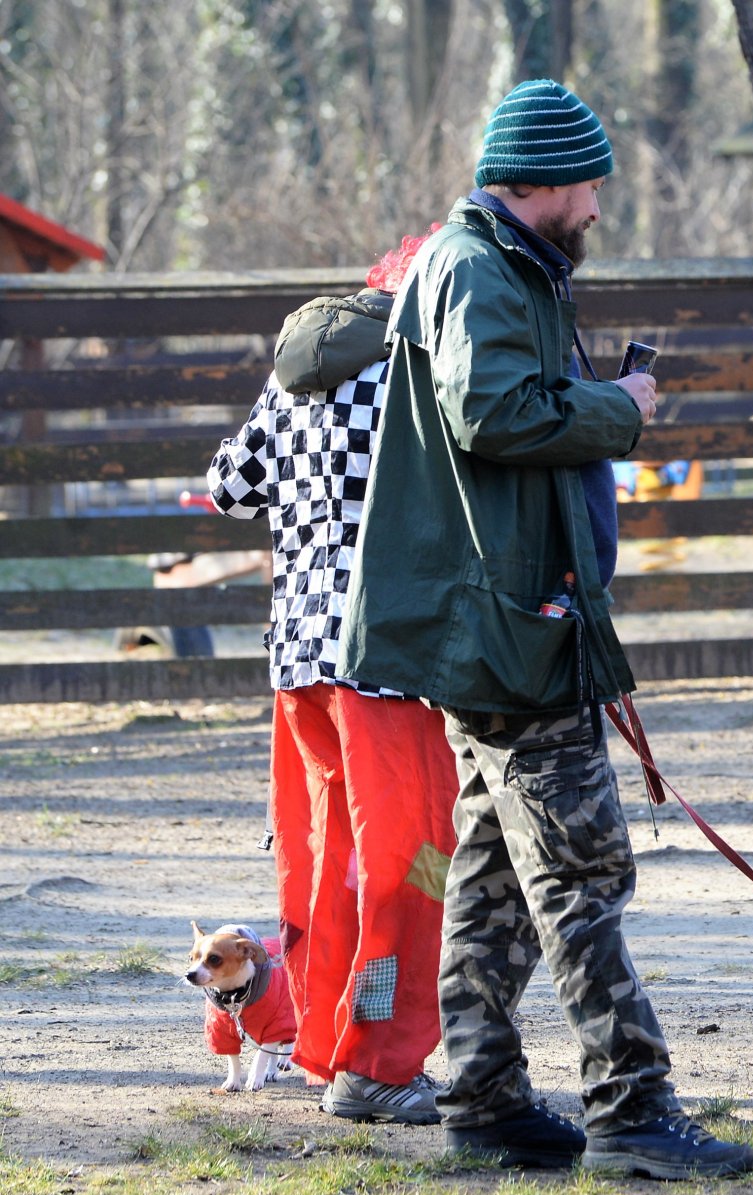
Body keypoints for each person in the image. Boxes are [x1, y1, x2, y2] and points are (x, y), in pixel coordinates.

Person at [337, 79, 753, 1179]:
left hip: (500, 623)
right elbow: (495, 412)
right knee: (582, 873)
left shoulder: (502, 264)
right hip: (512, 631)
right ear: (547, 182)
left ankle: (481, 1097)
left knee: (490, 875)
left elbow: (510, 406)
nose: (600, 210)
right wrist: (623, 411)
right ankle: (633, 1109)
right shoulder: (479, 268)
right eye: (591, 186)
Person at [206, 230, 456, 1125]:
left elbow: (229, 486)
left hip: (297, 661)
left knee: (325, 864)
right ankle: (382, 1059)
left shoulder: (297, 369)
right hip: (384, 658)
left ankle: (324, 1043)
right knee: (412, 861)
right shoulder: (416, 371)